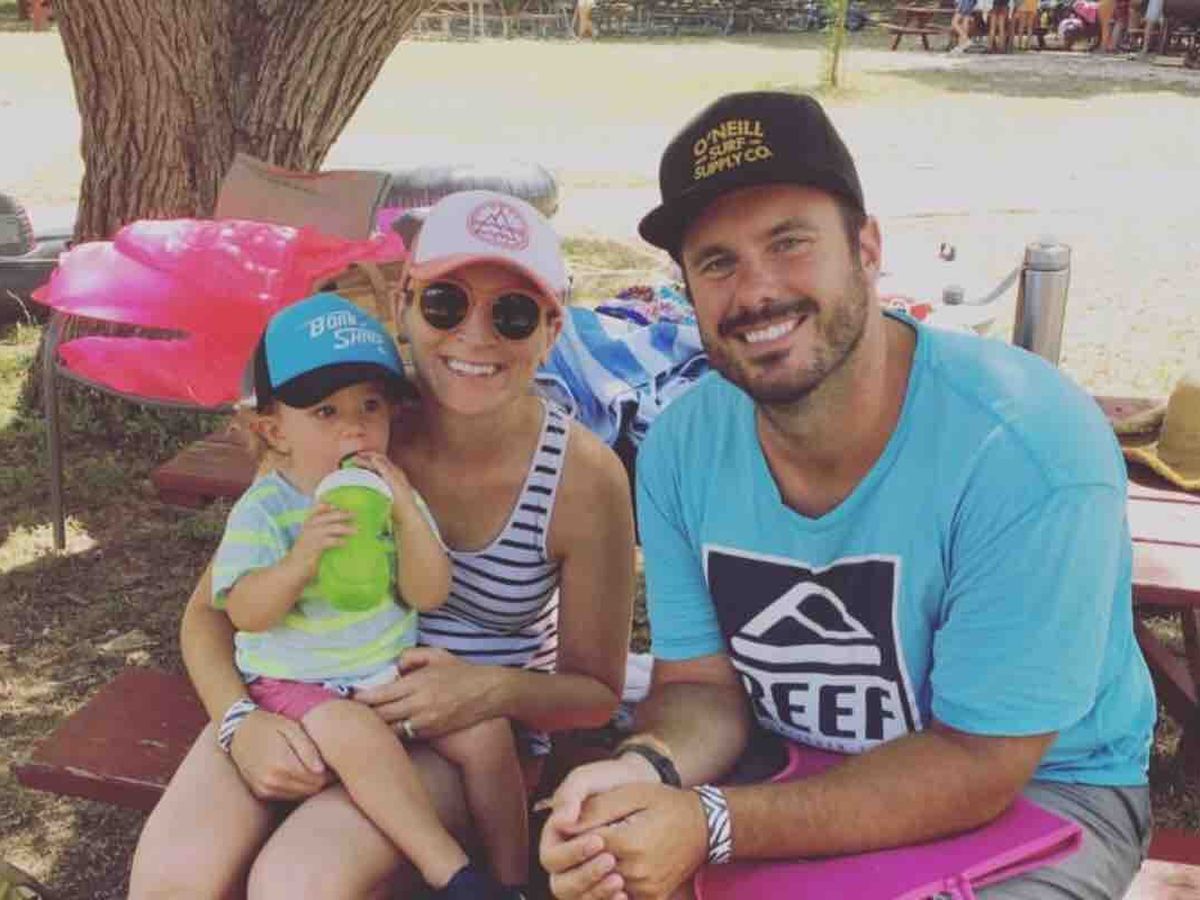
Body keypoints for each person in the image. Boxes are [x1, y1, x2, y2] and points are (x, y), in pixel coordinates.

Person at [540, 91, 1156, 900]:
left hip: (1044, 788)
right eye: (717, 262)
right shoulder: (684, 446)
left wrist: (711, 823)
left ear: (866, 248)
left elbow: (981, 763)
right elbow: (699, 689)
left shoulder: (1026, 447)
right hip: (781, 761)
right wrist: (644, 771)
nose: (755, 291)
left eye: (789, 242)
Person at [129, 189, 636, 899]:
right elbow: (209, 614)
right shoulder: (343, 425)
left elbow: (595, 695)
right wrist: (240, 722)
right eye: (446, 303)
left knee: (296, 883)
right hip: (296, 685)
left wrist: (487, 690)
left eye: (514, 314)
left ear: (552, 330)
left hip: (455, 736)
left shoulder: (582, 479)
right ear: (404, 303)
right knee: (171, 878)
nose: (476, 335)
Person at [210, 291, 528, 897]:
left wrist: (406, 513)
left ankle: (514, 881)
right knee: (357, 736)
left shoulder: (389, 496)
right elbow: (244, 613)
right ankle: (452, 874)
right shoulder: (267, 509)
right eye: (325, 412)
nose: (354, 426)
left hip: (380, 672)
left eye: (371, 406)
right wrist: (301, 560)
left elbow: (429, 594)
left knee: (488, 734)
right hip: (297, 683)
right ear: (274, 431)